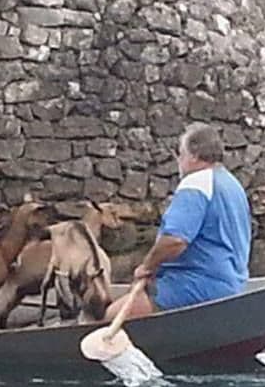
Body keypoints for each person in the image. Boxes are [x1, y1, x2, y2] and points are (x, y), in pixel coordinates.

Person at [106, 122, 251, 320]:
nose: (179, 162)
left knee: (111, 316)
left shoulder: (196, 183)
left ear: (194, 155)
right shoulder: (231, 183)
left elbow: (175, 240)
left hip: (196, 284)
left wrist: (147, 267)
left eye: (181, 154)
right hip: (233, 283)